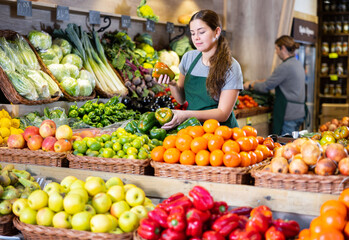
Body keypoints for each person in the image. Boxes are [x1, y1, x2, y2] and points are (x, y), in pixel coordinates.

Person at [155, 9, 243, 130]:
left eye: (201, 32)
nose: (196, 38)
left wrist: (186, 114)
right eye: (192, 33)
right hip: (194, 130)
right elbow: (181, 100)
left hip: (222, 133)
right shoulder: (188, 58)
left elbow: (223, 114)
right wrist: (172, 83)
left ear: (217, 32)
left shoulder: (231, 66)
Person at [243, 35, 306, 136]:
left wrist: (250, 85)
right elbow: (275, 81)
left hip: (288, 114)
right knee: (293, 144)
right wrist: (259, 81)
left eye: (277, 49)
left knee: (284, 145)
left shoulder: (285, 67)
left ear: (283, 48)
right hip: (298, 113)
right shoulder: (297, 64)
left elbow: (266, 86)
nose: (276, 53)